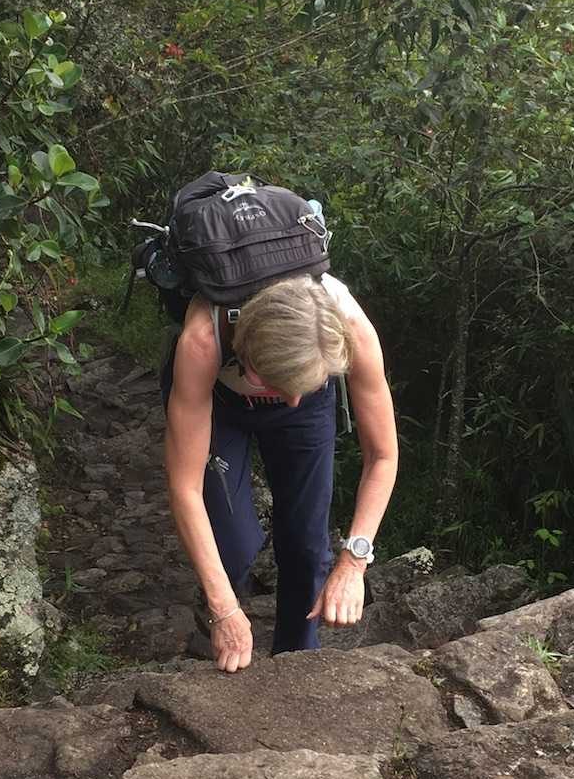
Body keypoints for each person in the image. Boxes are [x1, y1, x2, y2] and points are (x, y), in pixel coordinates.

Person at [162, 272, 398, 672]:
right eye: (274, 385)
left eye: (305, 385)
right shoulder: (204, 339)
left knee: (308, 547)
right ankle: (221, 610)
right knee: (232, 545)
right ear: (247, 352)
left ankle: (295, 661)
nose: (289, 401)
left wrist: (355, 561)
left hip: (305, 401)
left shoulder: (350, 330)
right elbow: (185, 487)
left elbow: (383, 456)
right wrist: (223, 607)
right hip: (221, 399)